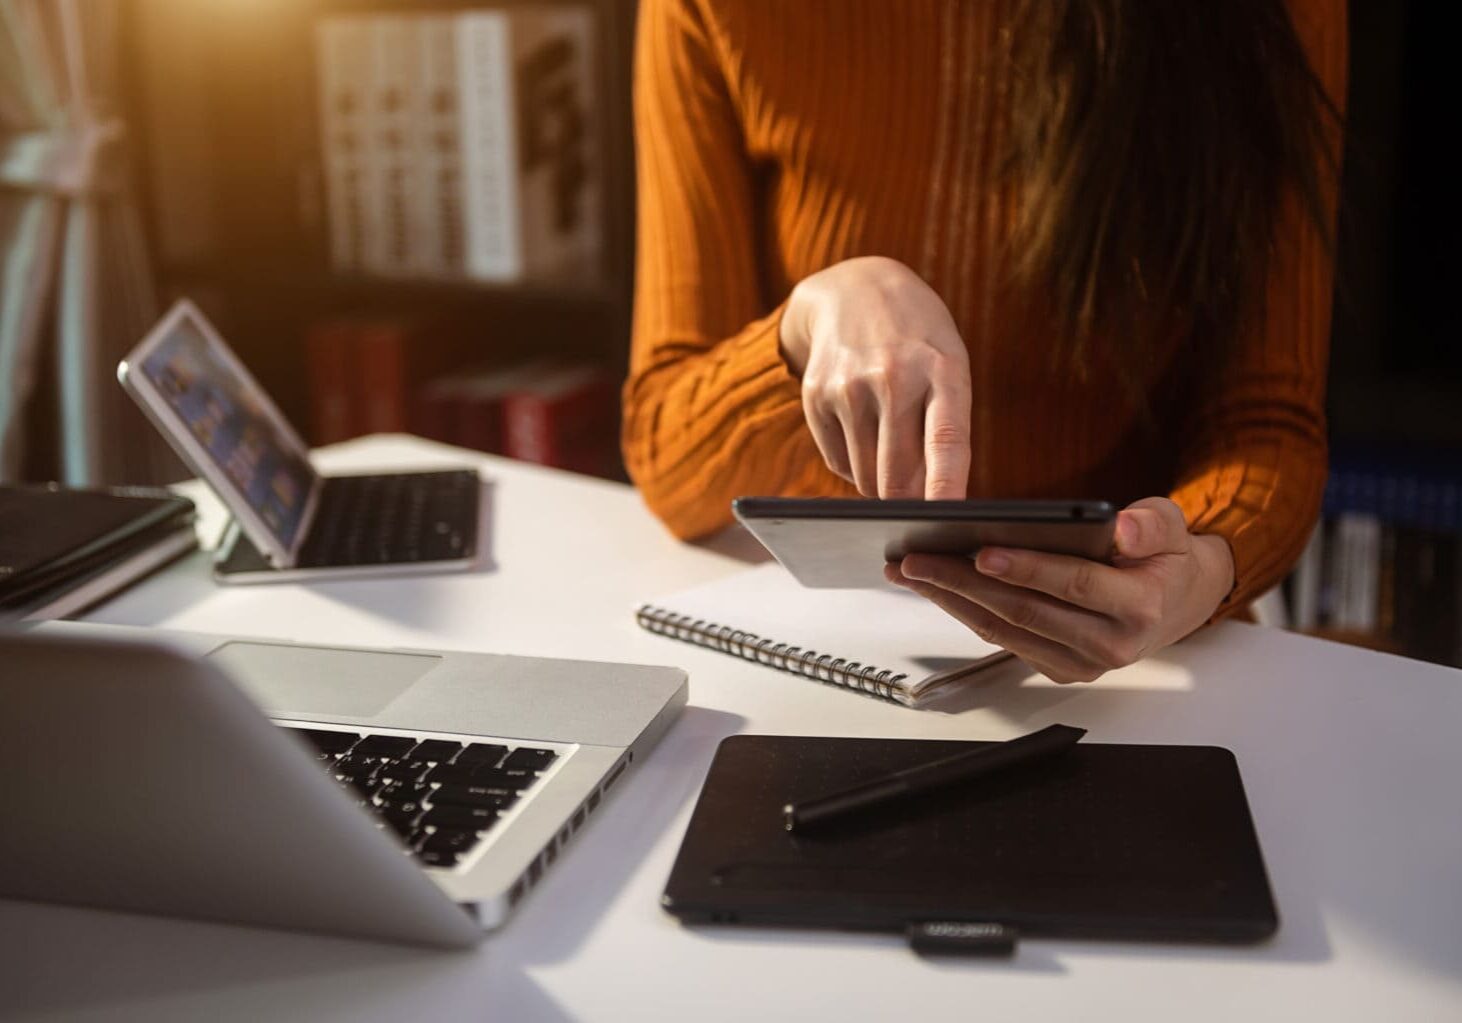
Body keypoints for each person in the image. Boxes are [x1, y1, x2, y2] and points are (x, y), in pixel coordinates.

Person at [623, 0, 1346, 684]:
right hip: (832, 650)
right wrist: (800, 329)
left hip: (1140, 667)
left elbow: (1269, 421)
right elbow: (663, 441)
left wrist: (1205, 565)